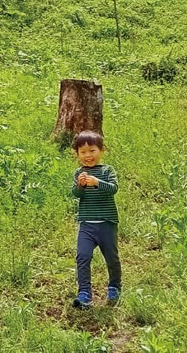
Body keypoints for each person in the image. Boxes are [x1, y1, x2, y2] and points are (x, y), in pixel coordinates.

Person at [71, 130, 121, 308]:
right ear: (77, 154)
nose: (88, 155)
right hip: (86, 224)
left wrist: (97, 182)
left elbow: (113, 188)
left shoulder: (107, 171)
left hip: (107, 223)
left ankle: (115, 286)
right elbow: (75, 194)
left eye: (92, 151)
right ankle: (84, 292)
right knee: (82, 256)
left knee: (112, 258)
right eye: (83, 152)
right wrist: (81, 185)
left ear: (101, 150)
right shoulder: (79, 172)